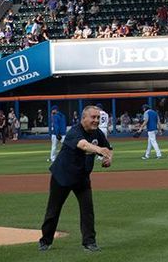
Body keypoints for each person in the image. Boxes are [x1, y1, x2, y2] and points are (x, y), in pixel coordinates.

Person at [38, 105, 112, 252]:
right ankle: (46, 240)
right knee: (53, 210)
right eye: (93, 117)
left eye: (98, 117)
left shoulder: (97, 133)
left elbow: (108, 148)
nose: (96, 120)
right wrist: (99, 150)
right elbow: (83, 145)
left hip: (82, 177)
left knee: (87, 210)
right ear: (84, 118)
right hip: (62, 176)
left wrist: (108, 158)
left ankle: (89, 242)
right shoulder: (74, 131)